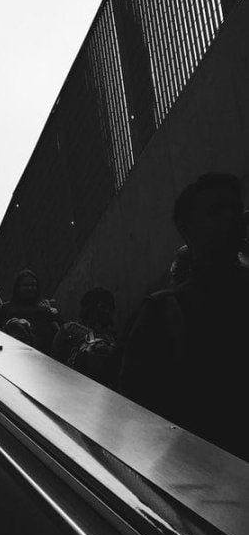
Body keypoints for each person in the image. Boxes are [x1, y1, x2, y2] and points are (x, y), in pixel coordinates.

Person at [120, 172, 249, 460]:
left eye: (234, 209)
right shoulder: (162, 312)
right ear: (187, 230)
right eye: (216, 211)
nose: (231, 218)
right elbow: (138, 409)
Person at [51, 287, 118, 387]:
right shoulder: (71, 329)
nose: (106, 312)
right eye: (102, 308)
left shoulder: (110, 340)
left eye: (108, 308)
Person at [0, 268, 61, 353]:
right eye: (25, 285)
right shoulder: (7, 308)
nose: (30, 288)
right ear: (18, 287)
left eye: (33, 285)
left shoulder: (45, 310)